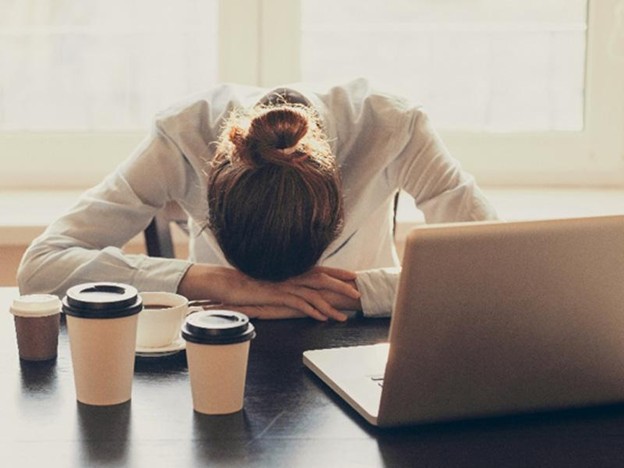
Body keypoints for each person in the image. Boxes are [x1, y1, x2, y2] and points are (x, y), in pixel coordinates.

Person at [17, 78, 498, 321]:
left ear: (337, 197)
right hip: (225, 328)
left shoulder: (395, 126)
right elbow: (42, 267)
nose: (285, 288)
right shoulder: (183, 133)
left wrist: (356, 293)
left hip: (361, 336)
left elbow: (497, 266)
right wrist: (216, 282)